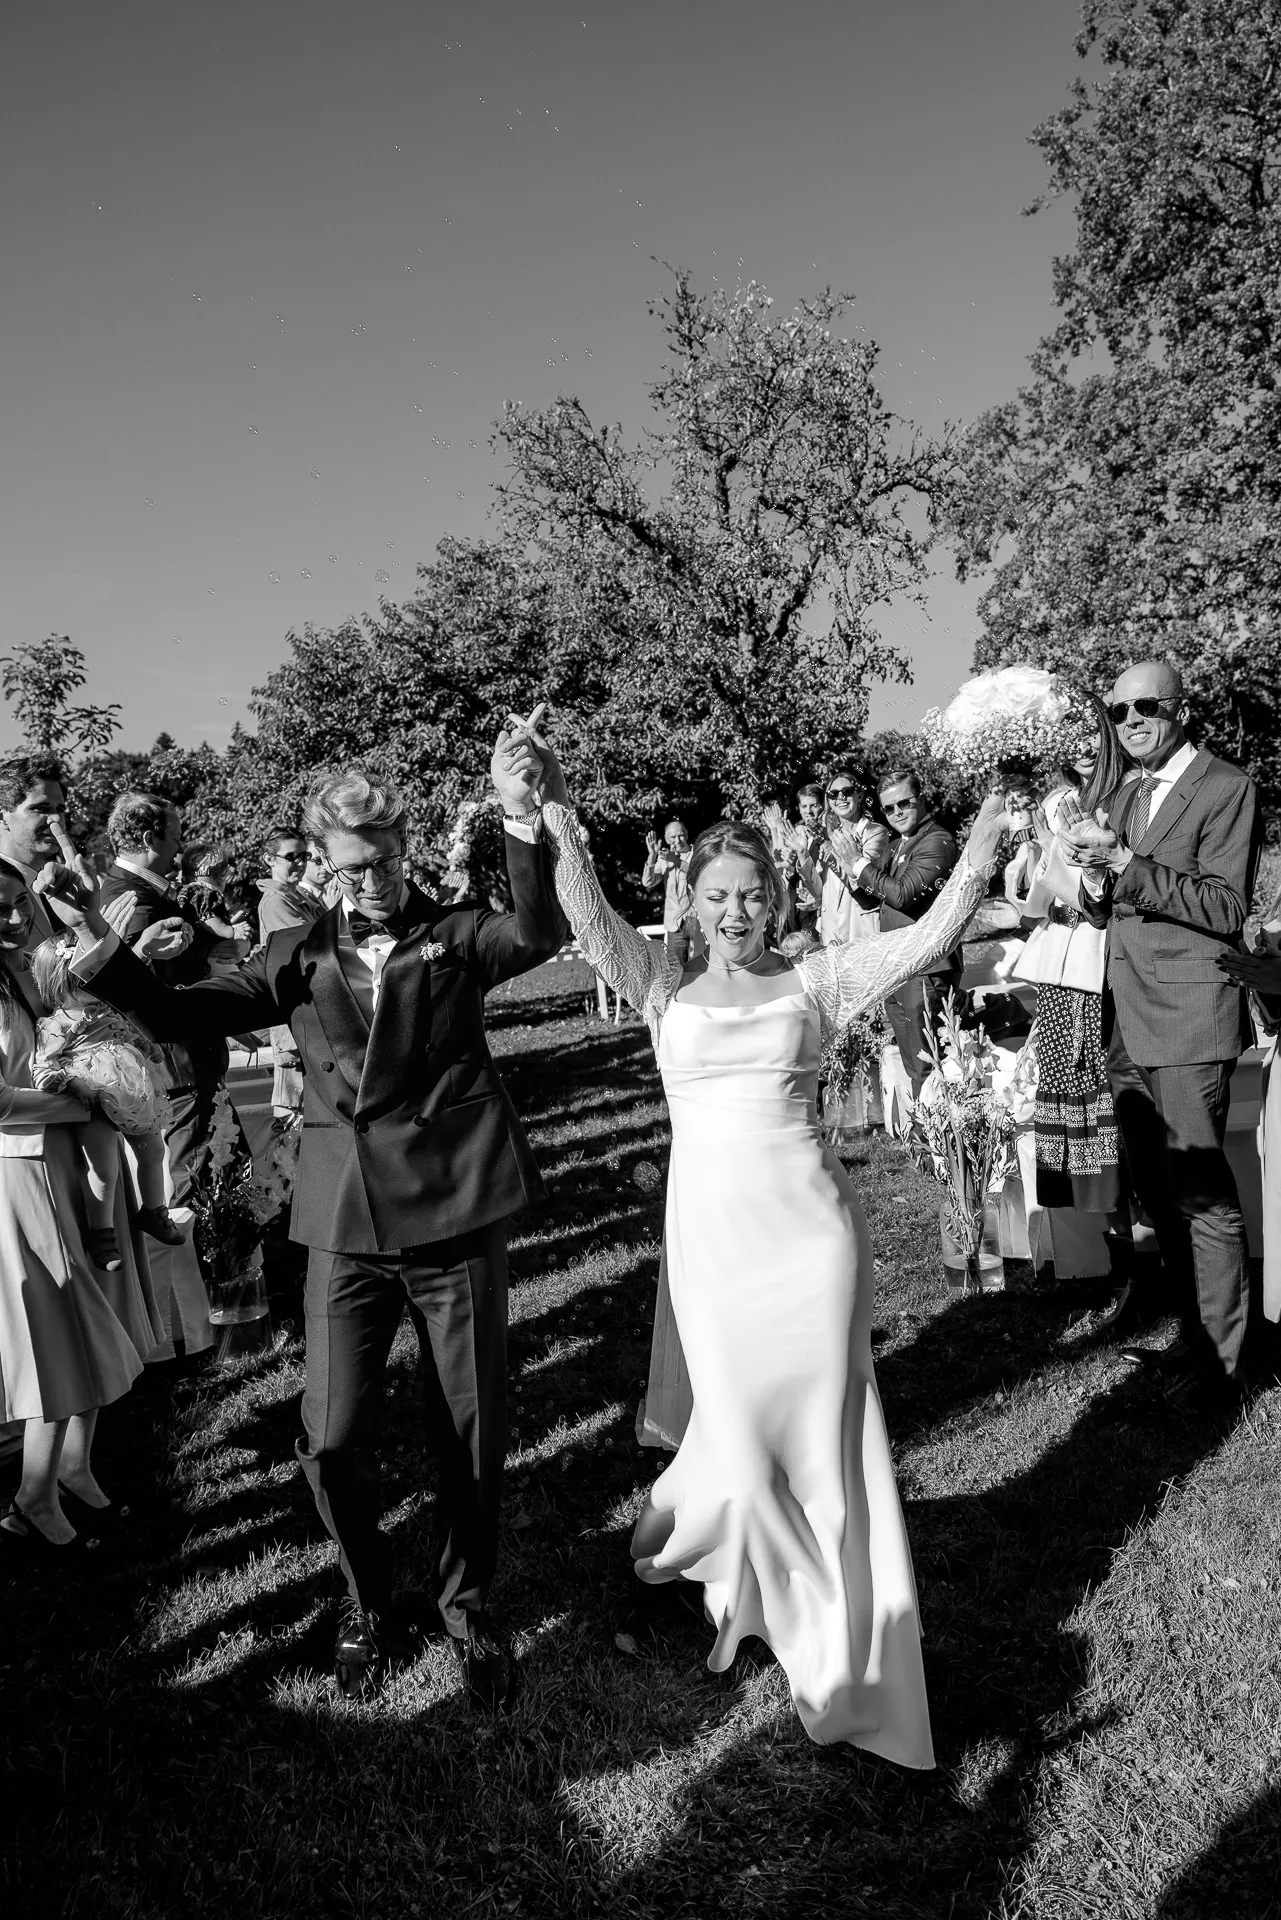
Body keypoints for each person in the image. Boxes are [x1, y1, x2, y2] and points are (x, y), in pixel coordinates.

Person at [43, 729, 564, 1706]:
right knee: (329, 1440)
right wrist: (101, 949)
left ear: (407, 851)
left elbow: (537, 935)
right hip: (342, 1227)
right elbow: (176, 1014)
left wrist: (523, 814)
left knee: (471, 1427)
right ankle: (367, 1600)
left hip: (455, 1217)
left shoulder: (456, 936)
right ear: (325, 863)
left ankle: (465, 1607)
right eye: (352, 866)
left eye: (386, 862)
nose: (371, 882)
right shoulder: (292, 956)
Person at [526, 713, 1010, 1760]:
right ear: (692, 908)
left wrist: (975, 857)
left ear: (775, 898)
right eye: (717, 896)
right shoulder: (657, 983)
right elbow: (588, 909)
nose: (737, 910)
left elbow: (924, 942)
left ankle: (840, 1644)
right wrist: (560, 808)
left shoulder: (821, 980)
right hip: (715, 1243)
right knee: (742, 1442)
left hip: (813, 1241)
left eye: (752, 893)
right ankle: (738, 1566)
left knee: (826, 1439)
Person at [1064, 660, 1259, 1410]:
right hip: (1123, 1016)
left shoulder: (1224, 787)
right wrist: (1091, 877)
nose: (1130, 721)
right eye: (1116, 712)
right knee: (1155, 1189)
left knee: (1202, 1194)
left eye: (1144, 705)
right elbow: (1100, 908)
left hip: (1186, 1016)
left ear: (1179, 706)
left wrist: (1119, 861)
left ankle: (1224, 1371)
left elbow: (1221, 907)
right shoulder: (1116, 793)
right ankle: (1192, 1338)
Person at [0, 860, 152, 1551]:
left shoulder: (16, 972)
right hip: (17, 1170)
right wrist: (87, 1097)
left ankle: (70, 1467)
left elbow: (87, 972)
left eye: (18, 903)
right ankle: (33, 1493)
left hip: (56, 1157)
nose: (14, 918)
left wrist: (83, 911)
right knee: (56, 1325)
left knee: (82, 1314)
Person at [29, 935, 183, 1268]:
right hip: (95, 1100)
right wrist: (73, 1083)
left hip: (129, 1092)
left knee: (154, 1150)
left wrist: (147, 1048)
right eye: (86, 979)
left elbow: (127, 1034)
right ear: (65, 983)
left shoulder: (108, 1010)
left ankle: (154, 1210)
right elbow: (42, 1071)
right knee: (104, 1168)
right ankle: (102, 1234)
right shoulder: (58, 1025)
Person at [848, 769, 960, 1099]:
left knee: (930, 1064)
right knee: (914, 1065)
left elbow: (902, 894)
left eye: (904, 803)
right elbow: (874, 896)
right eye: (888, 808)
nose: (897, 813)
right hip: (898, 966)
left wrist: (859, 867)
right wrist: (850, 869)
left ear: (921, 799)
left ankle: (949, 1146)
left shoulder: (937, 841)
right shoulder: (898, 844)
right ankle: (932, 1141)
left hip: (925, 968)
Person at [255, 825, 322, 1114]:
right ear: (270, 860)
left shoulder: (299, 898)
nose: (300, 862)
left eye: (304, 855)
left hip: (310, 1013)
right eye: (291, 856)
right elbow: (315, 947)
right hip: (295, 1014)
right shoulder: (275, 901)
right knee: (294, 1111)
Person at [642, 819, 701, 966]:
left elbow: (698, 874)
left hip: (696, 920)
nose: (677, 840)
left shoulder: (697, 854)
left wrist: (676, 861)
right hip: (675, 923)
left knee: (699, 966)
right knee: (677, 968)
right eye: (673, 837)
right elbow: (648, 882)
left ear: (686, 835)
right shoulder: (664, 859)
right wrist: (652, 856)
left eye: (680, 835)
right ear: (667, 839)